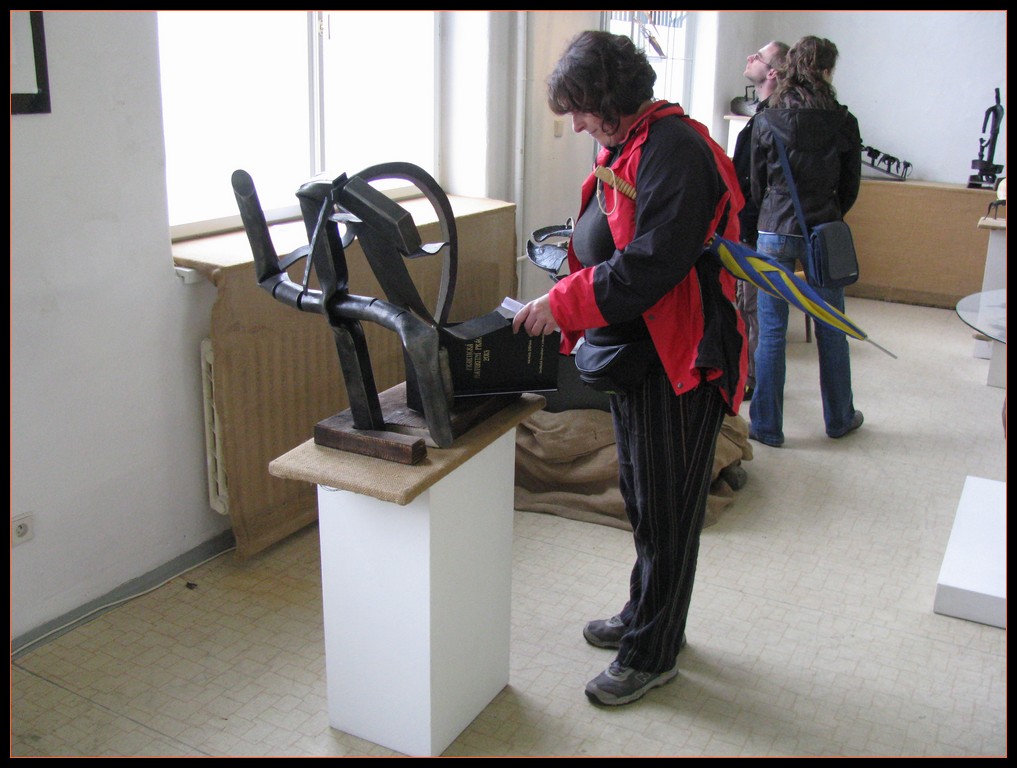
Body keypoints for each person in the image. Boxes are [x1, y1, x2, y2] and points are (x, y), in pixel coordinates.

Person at [511, 30, 747, 706]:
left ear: (611, 98)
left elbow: (651, 262)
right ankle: (645, 613)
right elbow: (614, 237)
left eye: (582, 110)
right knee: (643, 498)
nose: (577, 124)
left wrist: (563, 303)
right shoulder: (630, 142)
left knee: (669, 511)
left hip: (682, 358)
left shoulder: (676, 150)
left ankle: (653, 651)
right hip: (639, 354)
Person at [748, 35, 862, 447]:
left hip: (774, 228)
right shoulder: (843, 121)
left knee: (771, 331)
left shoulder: (768, 118)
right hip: (822, 229)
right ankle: (839, 418)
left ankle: (766, 426)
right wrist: (829, 213)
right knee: (832, 327)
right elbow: (850, 186)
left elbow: (757, 184)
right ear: (826, 71)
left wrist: (771, 214)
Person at [732, 40, 789, 401]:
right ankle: (746, 373)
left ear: (773, 72)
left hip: (756, 228)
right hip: (751, 226)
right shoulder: (763, 117)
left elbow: (757, 182)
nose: (751, 56)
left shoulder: (772, 120)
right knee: (746, 305)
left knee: (753, 308)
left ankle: (752, 379)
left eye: (760, 56)